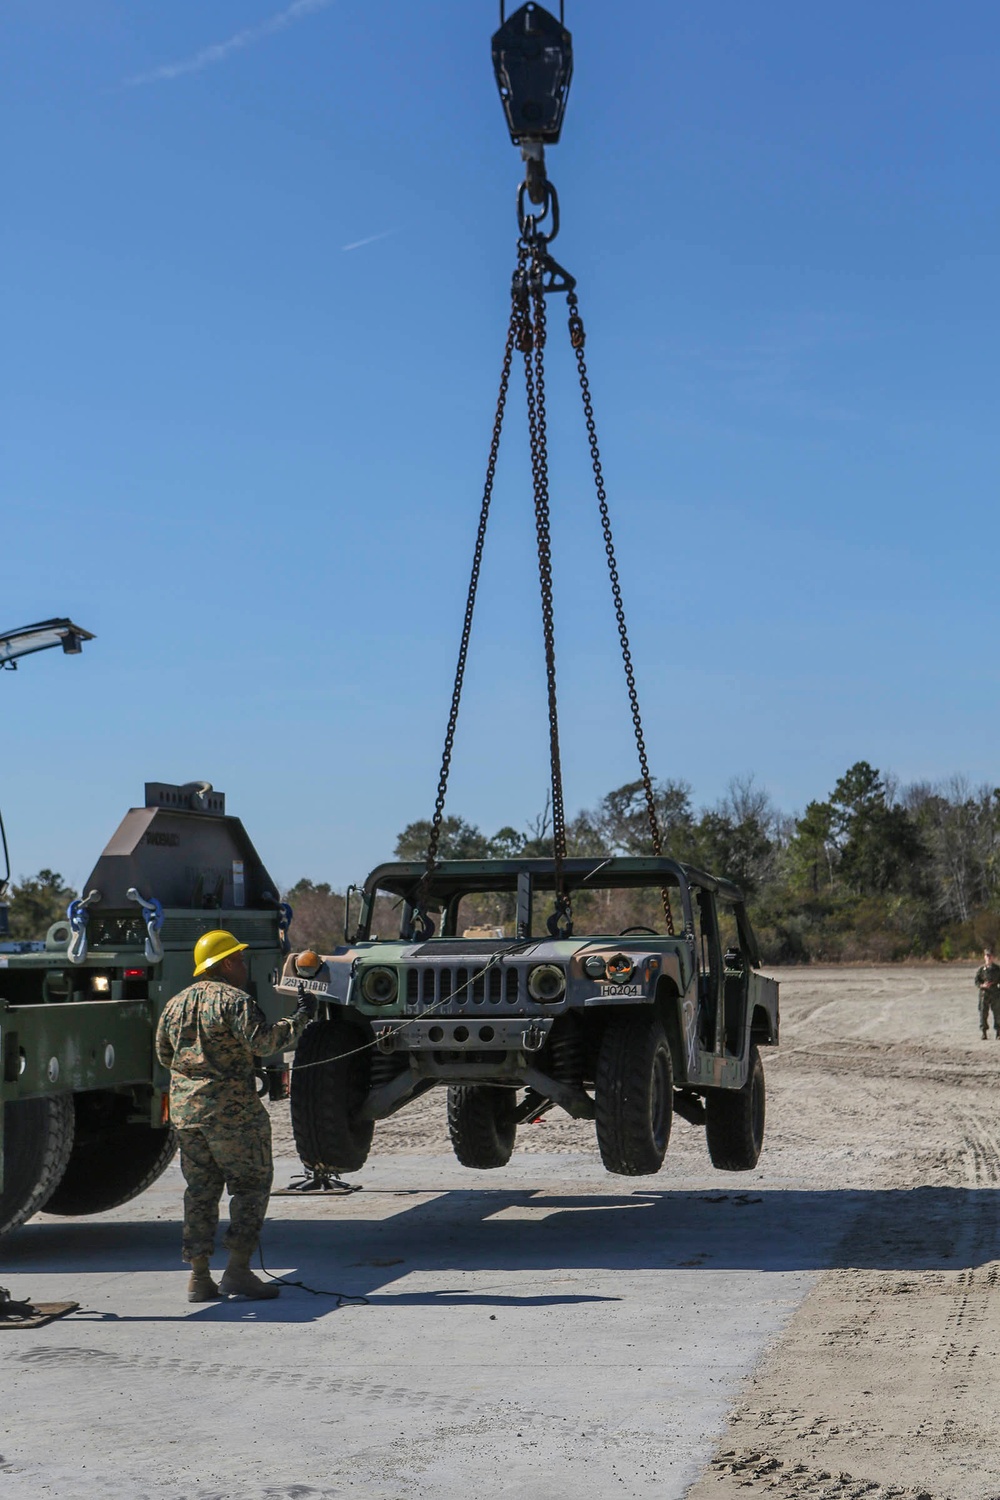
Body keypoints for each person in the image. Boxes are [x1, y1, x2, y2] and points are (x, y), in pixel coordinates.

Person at [155, 929, 315, 1302]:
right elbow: (264, 1042)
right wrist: (301, 1018)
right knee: (249, 1186)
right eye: (240, 959)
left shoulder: (175, 1004)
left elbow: (165, 1055)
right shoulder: (234, 1001)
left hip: (187, 1114)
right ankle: (238, 1271)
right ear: (225, 963)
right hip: (232, 1114)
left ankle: (199, 1278)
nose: (244, 966)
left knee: (200, 1191)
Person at [974, 947, 1000, 1040]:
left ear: (993, 957)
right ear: (984, 957)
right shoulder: (981, 969)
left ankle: (998, 1032)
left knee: (997, 1013)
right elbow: (976, 981)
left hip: (995, 993)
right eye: (987, 955)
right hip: (984, 994)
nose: (988, 957)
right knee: (983, 1013)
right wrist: (982, 985)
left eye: (990, 956)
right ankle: (984, 1032)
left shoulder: (997, 969)